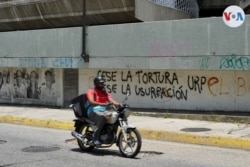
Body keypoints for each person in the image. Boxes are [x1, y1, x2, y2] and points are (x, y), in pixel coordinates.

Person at [86, 76, 120, 145]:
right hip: (93, 111)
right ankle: (95, 137)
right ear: (96, 84)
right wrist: (102, 104)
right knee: (103, 117)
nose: (102, 85)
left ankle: (110, 135)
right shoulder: (91, 91)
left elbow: (110, 99)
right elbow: (91, 102)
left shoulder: (104, 92)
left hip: (103, 111)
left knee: (115, 116)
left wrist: (118, 104)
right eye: (100, 83)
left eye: (103, 83)